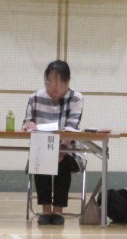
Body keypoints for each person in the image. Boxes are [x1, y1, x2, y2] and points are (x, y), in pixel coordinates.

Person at [23, 60, 84, 226]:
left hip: (69, 148)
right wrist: (28, 125)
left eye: (60, 83)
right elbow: (26, 122)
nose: (55, 87)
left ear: (68, 82)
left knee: (62, 162)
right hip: (42, 148)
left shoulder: (76, 98)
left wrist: (62, 147)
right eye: (51, 82)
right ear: (46, 80)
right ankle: (45, 210)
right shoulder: (35, 98)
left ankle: (58, 211)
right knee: (41, 160)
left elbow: (72, 126)